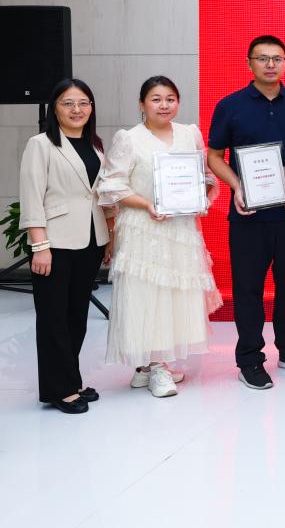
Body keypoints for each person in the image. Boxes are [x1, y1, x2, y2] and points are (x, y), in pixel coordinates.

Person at [207, 34, 285, 389]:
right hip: (249, 217)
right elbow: (214, 156)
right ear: (249, 63)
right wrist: (237, 186)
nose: (270, 64)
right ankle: (250, 359)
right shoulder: (230, 105)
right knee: (248, 289)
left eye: (277, 58)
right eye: (262, 58)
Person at [98, 76, 222, 397]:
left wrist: (200, 196)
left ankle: (149, 367)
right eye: (156, 99)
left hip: (179, 230)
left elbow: (206, 176)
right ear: (142, 104)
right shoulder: (129, 139)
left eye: (170, 99)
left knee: (172, 297)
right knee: (148, 296)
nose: (164, 105)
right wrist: (147, 204)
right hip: (144, 229)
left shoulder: (189, 134)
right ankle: (156, 368)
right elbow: (111, 186)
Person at [19, 79, 112, 413]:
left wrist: (109, 236)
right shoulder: (40, 144)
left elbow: (99, 196)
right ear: (54, 108)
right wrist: (39, 245)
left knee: (76, 316)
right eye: (68, 103)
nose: (77, 110)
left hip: (90, 240)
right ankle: (59, 390)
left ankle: (71, 380)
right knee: (53, 318)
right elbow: (32, 196)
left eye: (83, 103)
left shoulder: (94, 145)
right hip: (55, 243)